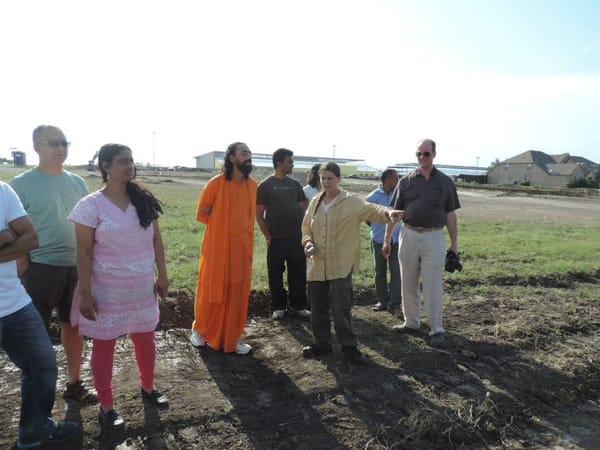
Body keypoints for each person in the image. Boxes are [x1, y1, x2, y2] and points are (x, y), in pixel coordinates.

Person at [69, 144, 169, 428]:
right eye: (123, 161)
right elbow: (84, 253)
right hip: (106, 292)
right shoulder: (90, 206)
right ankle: (107, 406)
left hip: (141, 289)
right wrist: (86, 294)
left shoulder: (144, 200)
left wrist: (162, 274)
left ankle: (148, 388)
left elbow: (156, 240)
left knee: (146, 340)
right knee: (104, 347)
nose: (129, 166)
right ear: (105, 166)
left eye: (131, 161)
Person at [9, 125, 94, 402]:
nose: (60, 148)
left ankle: (74, 383)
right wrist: (24, 266)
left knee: (73, 327)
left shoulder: (77, 182)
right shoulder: (19, 185)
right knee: (36, 332)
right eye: (53, 143)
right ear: (36, 147)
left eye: (64, 143)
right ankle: (39, 394)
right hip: (41, 268)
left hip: (76, 266)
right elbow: (15, 230)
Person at [0, 181, 80, 449]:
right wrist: (6, 236)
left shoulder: (2, 191)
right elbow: (16, 238)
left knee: (42, 366)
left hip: (15, 304)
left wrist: (10, 237)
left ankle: (35, 431)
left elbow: (31, 238)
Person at [301, 162, 403, 364]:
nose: (326, 182)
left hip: (341, 264)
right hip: (316, 264)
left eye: (330, 178)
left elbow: (372, 210)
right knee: (318, 307)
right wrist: (307, 243)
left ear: (339, 179)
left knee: (341, 308)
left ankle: (349, 347)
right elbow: (306, 228)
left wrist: (388, 213)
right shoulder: (315, 202)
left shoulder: (351, 201)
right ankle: (322, 344)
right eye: (323, 178)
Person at [382, 139, 460, 348]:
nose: (421, 157)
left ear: (434, 154)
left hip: (434, 236)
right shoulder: (405, 181)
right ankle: (412, 322)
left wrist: (454, 244)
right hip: (408, 235)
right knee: (407, 282)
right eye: (418, 154)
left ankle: (436, 329)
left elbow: (451, 215)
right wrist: (387, 239)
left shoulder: (445, 182)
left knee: (433, 285)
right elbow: (394, 214)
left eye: (426, 154)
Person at [190, 142, 257, 355]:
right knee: (212, 289)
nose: (248, 157)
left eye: (249, 154)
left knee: (237, 292)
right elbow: (203, 214)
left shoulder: (252, 185)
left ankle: (232, 337)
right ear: (231, 158)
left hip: (241, 250)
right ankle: (200, 331)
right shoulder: (215, 184)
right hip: (217, 250)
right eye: (244, 153)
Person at [256, 148, 310, 320]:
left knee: (298, 274)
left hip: (296, 238)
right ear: (279, 163)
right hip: (276, 239)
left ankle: (298, 305)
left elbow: (304, 210)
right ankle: (279, 306)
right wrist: (268, 235)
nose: (292, 164)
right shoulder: (265, 186)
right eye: (290, 162)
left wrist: (305, 232)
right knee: (275, 274)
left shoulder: (295, 185)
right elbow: (259, 213)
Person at [366, 169, 402, 313]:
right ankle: (382, 301)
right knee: (379, 271)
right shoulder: (372, 197)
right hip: (379, 239)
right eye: (395, 178)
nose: (397, 180)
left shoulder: (398, 194)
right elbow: (367, 218)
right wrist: (377, 229)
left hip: (396, 239)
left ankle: (394, 303)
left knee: (396, 271)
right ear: (387, 179)